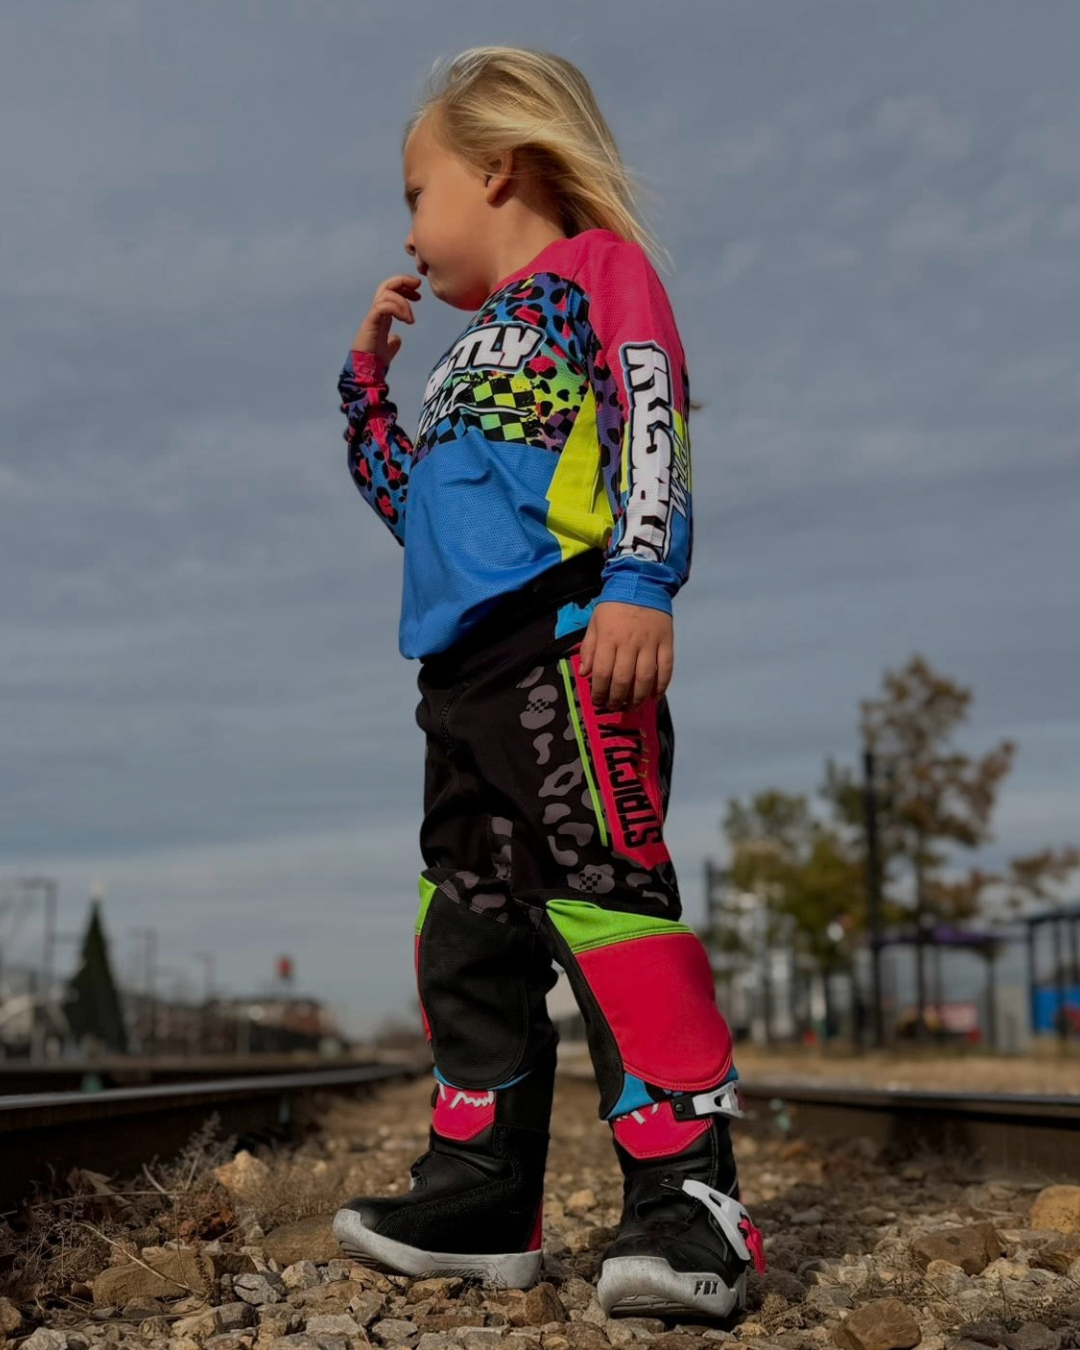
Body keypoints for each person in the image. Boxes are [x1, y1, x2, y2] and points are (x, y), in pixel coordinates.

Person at [331, 46, 765, 1321]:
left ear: (499, 167)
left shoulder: (593, 277)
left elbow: (649, 409)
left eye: (417, 193)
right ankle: (480, 1197)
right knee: (465, 928)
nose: (408, 230)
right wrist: (366, 394)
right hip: (457, 674)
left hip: (569, 641)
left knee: (607, 898)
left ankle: (693, 1207)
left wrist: (642, 577)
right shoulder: (471, 355)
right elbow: (422, 511)